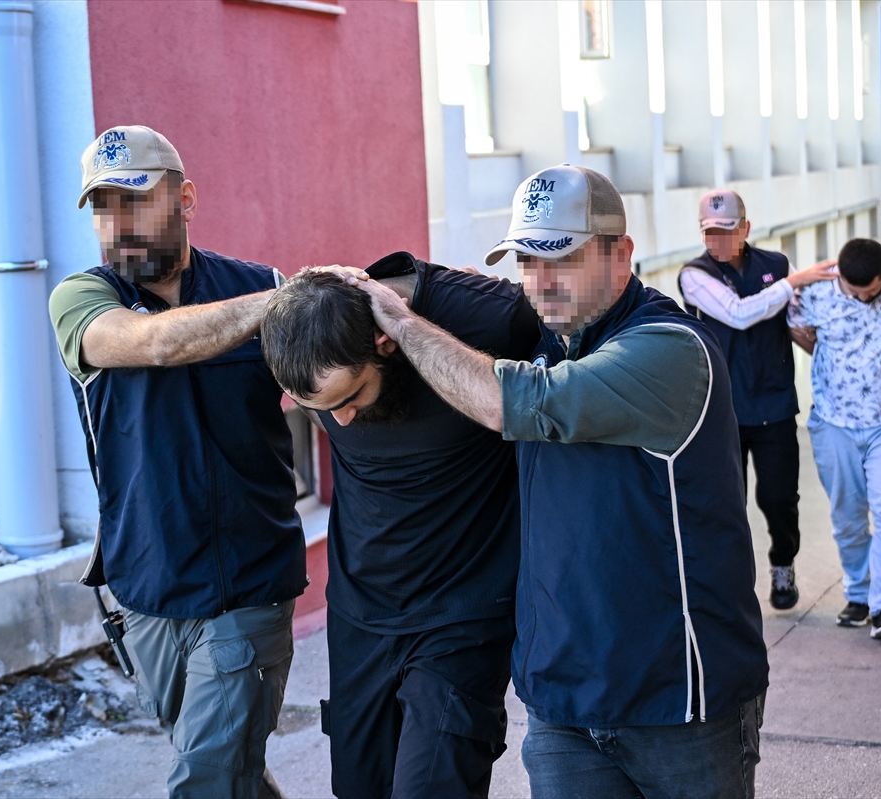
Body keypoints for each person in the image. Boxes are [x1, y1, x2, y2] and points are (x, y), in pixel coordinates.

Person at [341, 165, 769, 798]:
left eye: (560, 260)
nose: (539, 284)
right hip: (561, 706)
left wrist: (400, 323)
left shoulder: (671, 348)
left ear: (621, 254)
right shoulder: (548, 336)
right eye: (526, 263)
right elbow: (461, 299)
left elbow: (512, 400)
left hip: (677, 703)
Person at [48, 126, 303, 799]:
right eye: (103, 207)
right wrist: (279, 304)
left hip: (249, 585)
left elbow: (335, 398)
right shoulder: (81, 300)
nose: (118, 224)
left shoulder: (255, 284)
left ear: (185, 199)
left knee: (208, 779)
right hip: (148, 590)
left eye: (136, 201)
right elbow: (152, 343)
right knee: (229, 770)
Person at [261, 254, 540, 798]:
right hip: (360, 614)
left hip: (464, 613)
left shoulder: (487, 316)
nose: (338, 420)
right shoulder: (304, 328)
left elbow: (606, 329)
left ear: (386, 341)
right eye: (318, 409)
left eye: (349, 398)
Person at [679, 189, 836, 610]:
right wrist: (793, 284)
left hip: (774, 404)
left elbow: (800, 313)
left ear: (745, 229)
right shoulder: (694, 275)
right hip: (721, 411)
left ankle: (783, 564)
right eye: (709, 233)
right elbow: (739, 312)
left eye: (725, 231)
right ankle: (731, 584)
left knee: (780, 498)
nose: (716, 241)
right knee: (726, 502)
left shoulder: (776, 265)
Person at [787, 238, 881, 642]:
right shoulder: (815, 289)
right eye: (856, 293)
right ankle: (860, 592)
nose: (865, 299)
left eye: (872, 291)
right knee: (847, 516)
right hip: (834, 420)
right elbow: (799, 329)